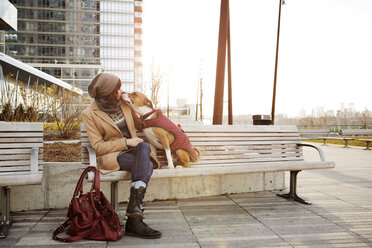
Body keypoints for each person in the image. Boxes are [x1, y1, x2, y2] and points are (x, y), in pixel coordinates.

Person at [81, 72, 161, 239]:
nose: (121, 91)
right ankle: (134, 219)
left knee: (144, 146)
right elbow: (98, 147)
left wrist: (134, 106)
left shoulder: (124, 104)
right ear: (108, 95)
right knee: (145, 164)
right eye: (118, 90)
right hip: (113, 156)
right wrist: (126, 143)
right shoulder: (89, 114)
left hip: (136, 152)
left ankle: (134, 213)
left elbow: (140, 125)